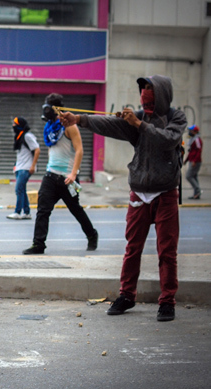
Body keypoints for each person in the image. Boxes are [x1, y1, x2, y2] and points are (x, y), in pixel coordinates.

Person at [59, 75, 186, 322]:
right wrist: (79, 119)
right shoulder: (138, 116)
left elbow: (169, 140)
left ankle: (167, 301)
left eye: (150, 88)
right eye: (143, 88)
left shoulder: (175, 118)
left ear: (162, 92)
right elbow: (109, 124)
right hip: (139, 191)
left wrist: (139, 125)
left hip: (166, 193)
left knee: (167, 252)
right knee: (132, 248)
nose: (145, 92)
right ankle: (127, 295)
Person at [22, 93, 98, 254]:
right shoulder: (49, 127)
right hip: (50, 175)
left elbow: (79, 150)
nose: (46, 110)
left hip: (66, 178)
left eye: (49, 106)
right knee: (43, 210)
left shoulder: (69, 126)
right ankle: (38, 244)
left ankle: (92, 235)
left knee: (75, 209)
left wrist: (73, 174)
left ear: (57, 109)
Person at [7, 116, 40, 220]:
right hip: (20, 167)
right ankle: (26, 212)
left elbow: (37, 150)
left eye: (15, 124)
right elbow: (21, 154)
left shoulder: (27, 136)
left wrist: (33, 165)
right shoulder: (19, 137)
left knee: (19, 189)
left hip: (26, 168)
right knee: (22, 190)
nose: (13, 126)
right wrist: (16, 166)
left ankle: (17, 212)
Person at [184, 124, 202, 199]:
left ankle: (198, 191)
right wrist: (186, 160)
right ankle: (196, 194)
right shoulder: (193, 139)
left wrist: (194, 161)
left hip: (196, 161)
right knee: (194, 177)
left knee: (189, 176)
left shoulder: (197, 139)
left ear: (195, 132)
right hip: (192, 160)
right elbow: (191, 151)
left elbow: (199, 151)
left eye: (191, 131)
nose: (190, 132)